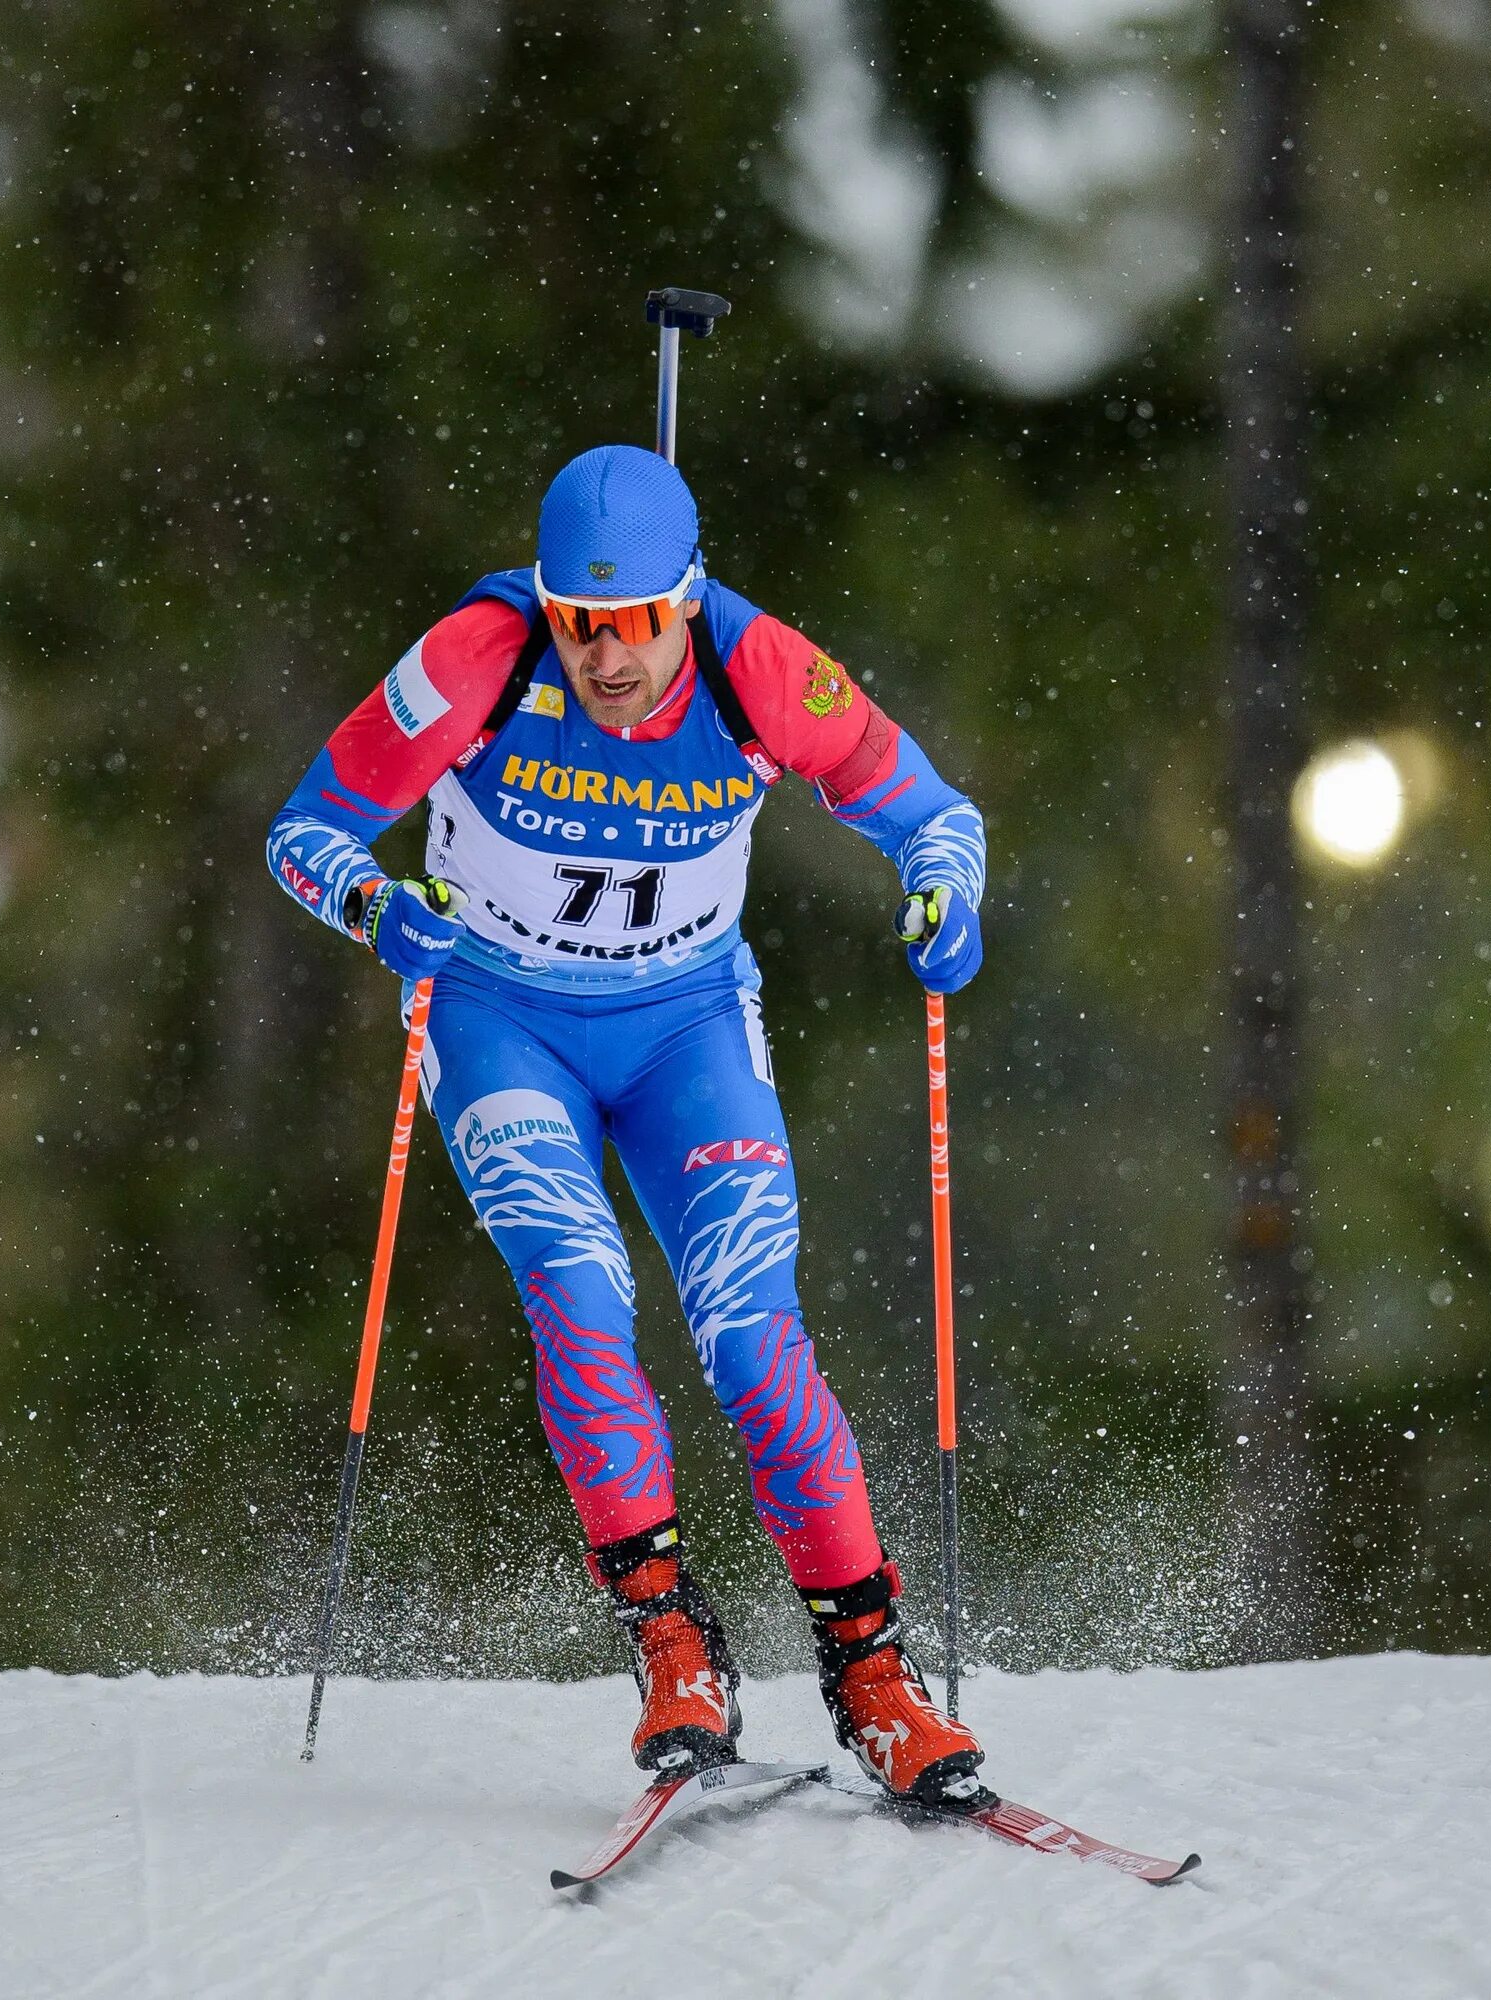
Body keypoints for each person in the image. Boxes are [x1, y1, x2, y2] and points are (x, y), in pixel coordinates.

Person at [264, 444, 990, 1805]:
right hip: (500, 1021)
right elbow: (305, 830)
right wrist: (375, 906)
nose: (609, 660)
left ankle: (875, 1679)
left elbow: (933, 814)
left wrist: (946, 896)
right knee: (581, 1294)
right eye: (584, 628)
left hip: (684, 1030)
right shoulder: (478, 656)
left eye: (637, 628)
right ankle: (671, 1640)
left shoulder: (759, 666)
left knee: (754, 1340)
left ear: (686, 598)